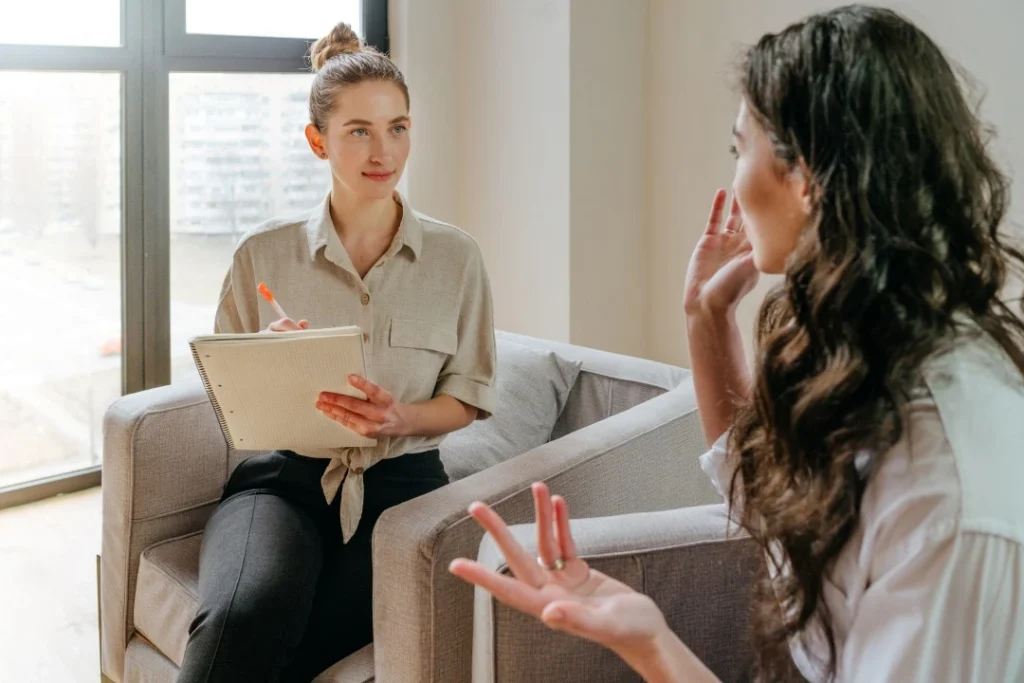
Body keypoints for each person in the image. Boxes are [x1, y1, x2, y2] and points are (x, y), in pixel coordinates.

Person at [449, 5, 1024, 682]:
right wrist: (705, 316)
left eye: (737, 149)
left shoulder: (944, 491)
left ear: (806, 177)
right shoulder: (875, 356)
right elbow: (776, 504)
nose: (733, 182)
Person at [177, 22, 497, 683]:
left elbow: (466, 397)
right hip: (280, 481)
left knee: (318, 633)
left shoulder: (456, 257)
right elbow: (227, 399)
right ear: (317, 140)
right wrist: (270, 363)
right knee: (245, 613)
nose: (384, 150)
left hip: (403, 492)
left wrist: (397, 418)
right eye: (359, 131)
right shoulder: (261, 256)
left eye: (398, 127)